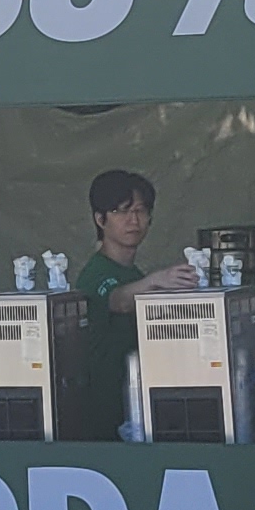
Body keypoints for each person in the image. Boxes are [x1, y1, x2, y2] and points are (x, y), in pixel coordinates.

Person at [70, 169, 202, 441]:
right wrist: (158, 280)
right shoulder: (96, 273)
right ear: (100, 219)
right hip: (103, 413)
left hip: (135, 406)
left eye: (140, 211)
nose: (133, 220)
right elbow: (118, 300)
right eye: (121, 211)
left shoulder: (134, 274)